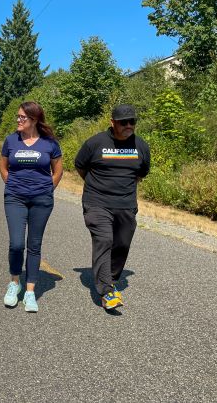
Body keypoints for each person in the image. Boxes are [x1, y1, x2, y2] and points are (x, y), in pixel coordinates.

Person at [74, 104, 150, 311]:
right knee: (104, 240)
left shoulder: (141, 146)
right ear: (112, 122)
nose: (128, 125)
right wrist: (96, 186)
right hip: (96, 202)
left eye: (132, 121)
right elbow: (81, 166)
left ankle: (111, 277)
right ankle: (107, 291)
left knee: (122, 244)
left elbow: (141, 174)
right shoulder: (95, 143)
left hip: (126, 205)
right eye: (123, 122)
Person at [0, 101, 63, 313]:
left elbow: (58, 171)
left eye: (22, 117)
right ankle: (14, 283)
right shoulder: (11, 141)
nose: (18, 120)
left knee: (34, 245)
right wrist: (12, 185)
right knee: (17, 243)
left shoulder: (50, 143)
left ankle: (29, 292)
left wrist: (46, 190)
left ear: (34, 120)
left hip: (41, 200)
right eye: (17, 117)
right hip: (15, 198)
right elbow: (3, 167)